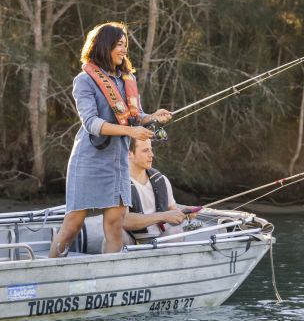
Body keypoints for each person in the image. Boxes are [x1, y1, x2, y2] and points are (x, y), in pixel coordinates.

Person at [49, 22, 172, 257]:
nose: (124, 50)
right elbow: (91, 123)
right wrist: (130, 132)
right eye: (119, 44)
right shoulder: (84, 81)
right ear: (104, 46)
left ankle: (108, 278)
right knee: (73, 224)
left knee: (115, 225)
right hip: (89, 161)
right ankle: (47, 273)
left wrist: (153, 117)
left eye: (125, 45)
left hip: (117, 163)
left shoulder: (125, 80)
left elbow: (136, 117)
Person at [122, 138, 196, 244]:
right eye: (145, 150)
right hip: (131, 240)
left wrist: (186, 213)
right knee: (115, 232)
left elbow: (172, 210)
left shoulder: (161, 180)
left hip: (159, 239)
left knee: (176, 232)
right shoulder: (120, 184)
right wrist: (162, 216)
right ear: (129, 154)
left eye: (151, 150)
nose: (151, 154)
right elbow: (123, 220)